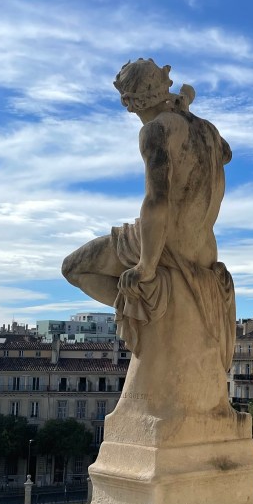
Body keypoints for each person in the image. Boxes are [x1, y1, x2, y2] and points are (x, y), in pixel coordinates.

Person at [61, 59, 235, 363]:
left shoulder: (155, 131)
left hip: (165, 242)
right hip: (205, 248)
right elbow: (226, 153)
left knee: (73, 267)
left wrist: (146, 266)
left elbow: (157, 200)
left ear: (129, 101)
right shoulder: (207, 130)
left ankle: (144, 307)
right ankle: (146, 303)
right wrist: (185, 111)